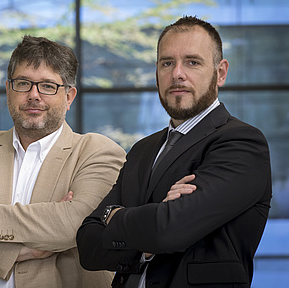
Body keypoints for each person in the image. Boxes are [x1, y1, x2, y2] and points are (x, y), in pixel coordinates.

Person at [77, 16, 272, 288]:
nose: (177, 73)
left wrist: (113, 216)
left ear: (221, 72)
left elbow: (169, 231)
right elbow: (88, 245)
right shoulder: (142, 150)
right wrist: (152, 230)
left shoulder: (241, 143)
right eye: (167, 63)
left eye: (192, 62)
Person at [0, 35, 127, 288]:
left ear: (69, 97)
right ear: (8, 90)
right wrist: (23, 251)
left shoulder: (98, 152)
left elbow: (75, 223)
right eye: (23, 83)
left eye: (47, 86)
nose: (33, 95)